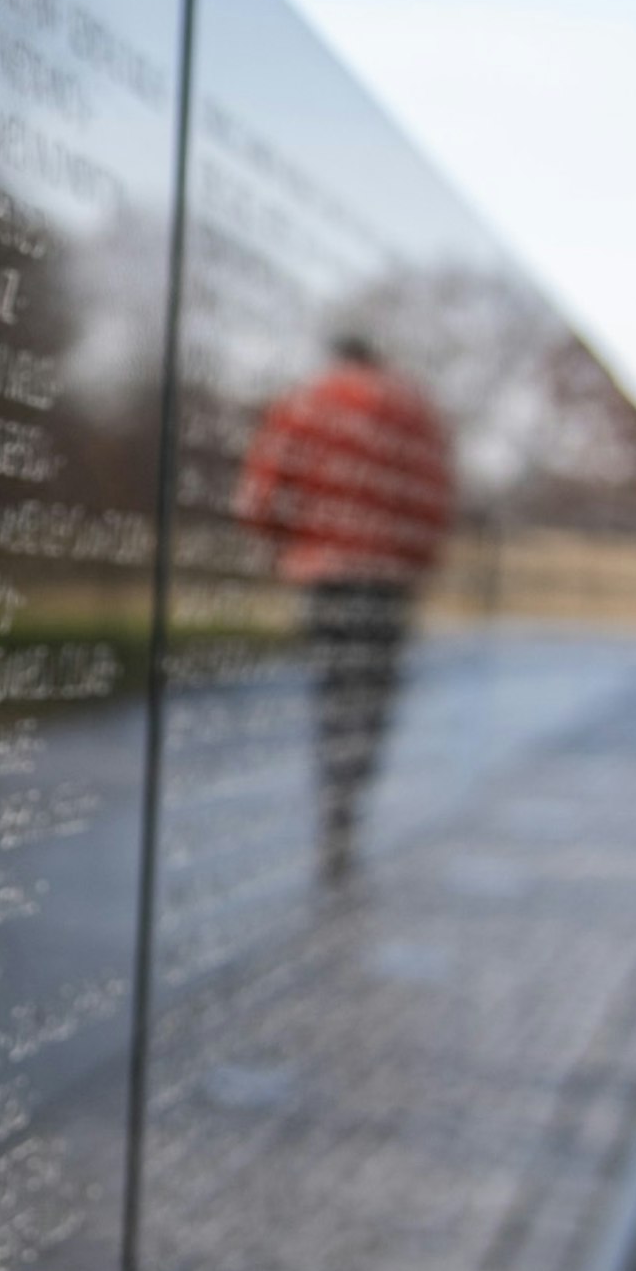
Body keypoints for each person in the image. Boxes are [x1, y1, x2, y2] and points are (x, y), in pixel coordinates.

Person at [236, 333, 456, 880]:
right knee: (372, 698)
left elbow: (263, 489)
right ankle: (349, 802)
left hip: (326, 572)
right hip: (388, 577)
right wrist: (417, 559)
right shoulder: (412, 411)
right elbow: (435, 496)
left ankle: (332, 804)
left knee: (333, 692)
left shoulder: (308, 401)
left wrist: (280, 543)